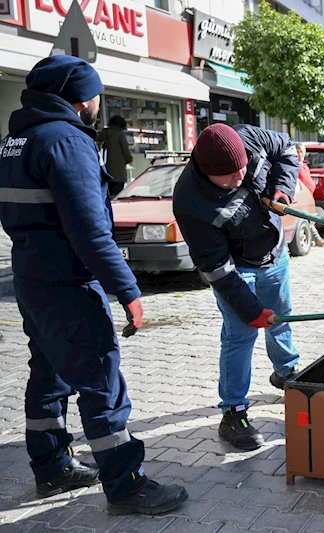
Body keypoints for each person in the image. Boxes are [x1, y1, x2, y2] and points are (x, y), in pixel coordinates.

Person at [0, 56, 186, 514]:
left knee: (49, 373)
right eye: (97, 95)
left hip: (30, 277)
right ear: (82, 98)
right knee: (101, 379)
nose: (99, 103)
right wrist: (128, 290)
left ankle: (52, 467)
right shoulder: (67, 141)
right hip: (67, 284)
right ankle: (126, 485)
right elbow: (90, 231)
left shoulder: (13, 142)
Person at [172, 123, 302, 451]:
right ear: (207, 171)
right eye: (230, 176)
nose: (240, 177)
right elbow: (216, 269)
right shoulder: (190, 201)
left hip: (275, 252)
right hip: (238, 268)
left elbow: (287, 150)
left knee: (282, 314)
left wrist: (282, 189)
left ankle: (286, 371)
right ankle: (233, 411)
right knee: (240, 335)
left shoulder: (249, 137)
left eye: (244, 167)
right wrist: (248, 307)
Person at [296, 142, 324, 247]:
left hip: (308, 196)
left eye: (301, 152)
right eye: (298, 152)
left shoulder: (304, 165)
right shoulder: (294, 165)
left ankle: (314, 239)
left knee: (310, 218)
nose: (299, 154)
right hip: (300, 196)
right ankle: (317, 238)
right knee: (307, 218)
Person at [96, 115, 133, 197]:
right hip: (119, 169)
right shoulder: (120, 134)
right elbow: (125, 149)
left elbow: (97, 142)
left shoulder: (105, 132)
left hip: (107, 167)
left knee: (108, 193)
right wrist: (129, 159)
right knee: (118, 193)